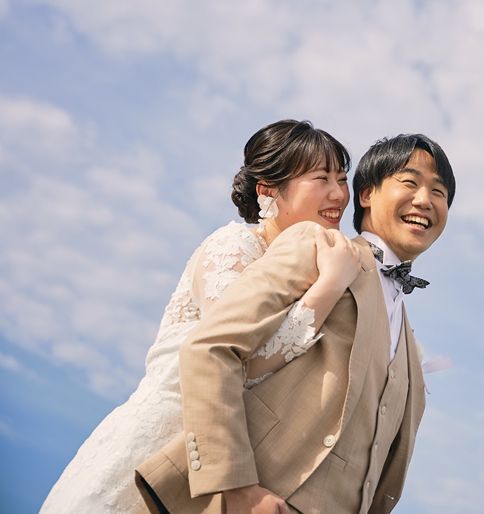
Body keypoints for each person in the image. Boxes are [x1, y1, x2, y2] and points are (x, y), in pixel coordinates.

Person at [40, 120, 362, 514]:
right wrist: (330, 286)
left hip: (225, 454)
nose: (339, 194)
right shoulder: (235, 244)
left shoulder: (312, 262)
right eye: (321, 178)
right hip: (162, 448)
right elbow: (235, 360)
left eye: (342, 179)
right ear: (268, 190)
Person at [135, 133, 456, 514]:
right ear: (367, 194)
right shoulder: (318, 246)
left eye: (439, 192)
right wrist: (237, 487)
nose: (425, 200)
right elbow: (212, 347)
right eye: (410, 183)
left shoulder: (407, 335)